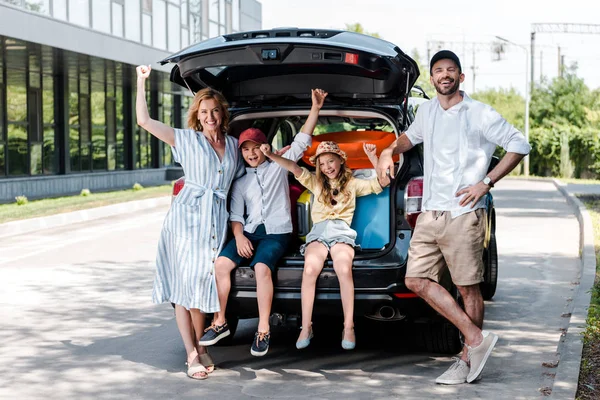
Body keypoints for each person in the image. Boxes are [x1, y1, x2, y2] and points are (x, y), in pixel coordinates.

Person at [376, 50, 531, 384]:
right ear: (431, 79)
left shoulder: (479, 113)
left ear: (461, 77)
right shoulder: (427, 111)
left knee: (468, 290)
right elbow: (409, 138)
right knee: (415, 280)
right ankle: (477, 338)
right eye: (438, 71)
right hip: (431, 212)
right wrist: (389, 150)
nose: (444, 75)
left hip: (464, 212)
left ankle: (465, 358)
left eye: (450, 70)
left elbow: (520, 143)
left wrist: (486, 182)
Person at [198, 89, 328, 357]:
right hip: (249, 233)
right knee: (221, 264)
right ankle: (220, 320)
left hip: (277, 233)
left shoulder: (279, 165)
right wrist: (240, 237)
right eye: (245, 150)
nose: (250, 153)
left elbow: (303, 139)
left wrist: (315, 108)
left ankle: (263, 329)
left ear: (264, 147)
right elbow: (235, 216)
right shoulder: (241, 180)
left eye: (255, 147)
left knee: (260, 267)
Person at [136, 64, 245, 380]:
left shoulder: (235, 146)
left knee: (201, 287)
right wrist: (141, 82)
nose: (210, 116)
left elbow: (249, 175)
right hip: (185, 221)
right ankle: (192, 353)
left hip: (215, 223)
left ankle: (200, 346)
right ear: (197, 115)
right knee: (185, 291)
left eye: (214, 110)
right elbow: (144, 121)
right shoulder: (185, 140)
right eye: (204, 111)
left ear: (222, 114)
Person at [262, 140, 390, 350]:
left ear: (340, 160)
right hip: (319, 233)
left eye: (331, 161)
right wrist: (271, 156)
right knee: (310, 269)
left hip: (341, 232)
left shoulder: (352, 183)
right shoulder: (315, 182)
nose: (327, 167)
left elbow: (382, 182)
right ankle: (306, 326)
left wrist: (374, 158)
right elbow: (294, 167)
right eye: (322, 164)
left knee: (343, 268)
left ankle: (348, 326)